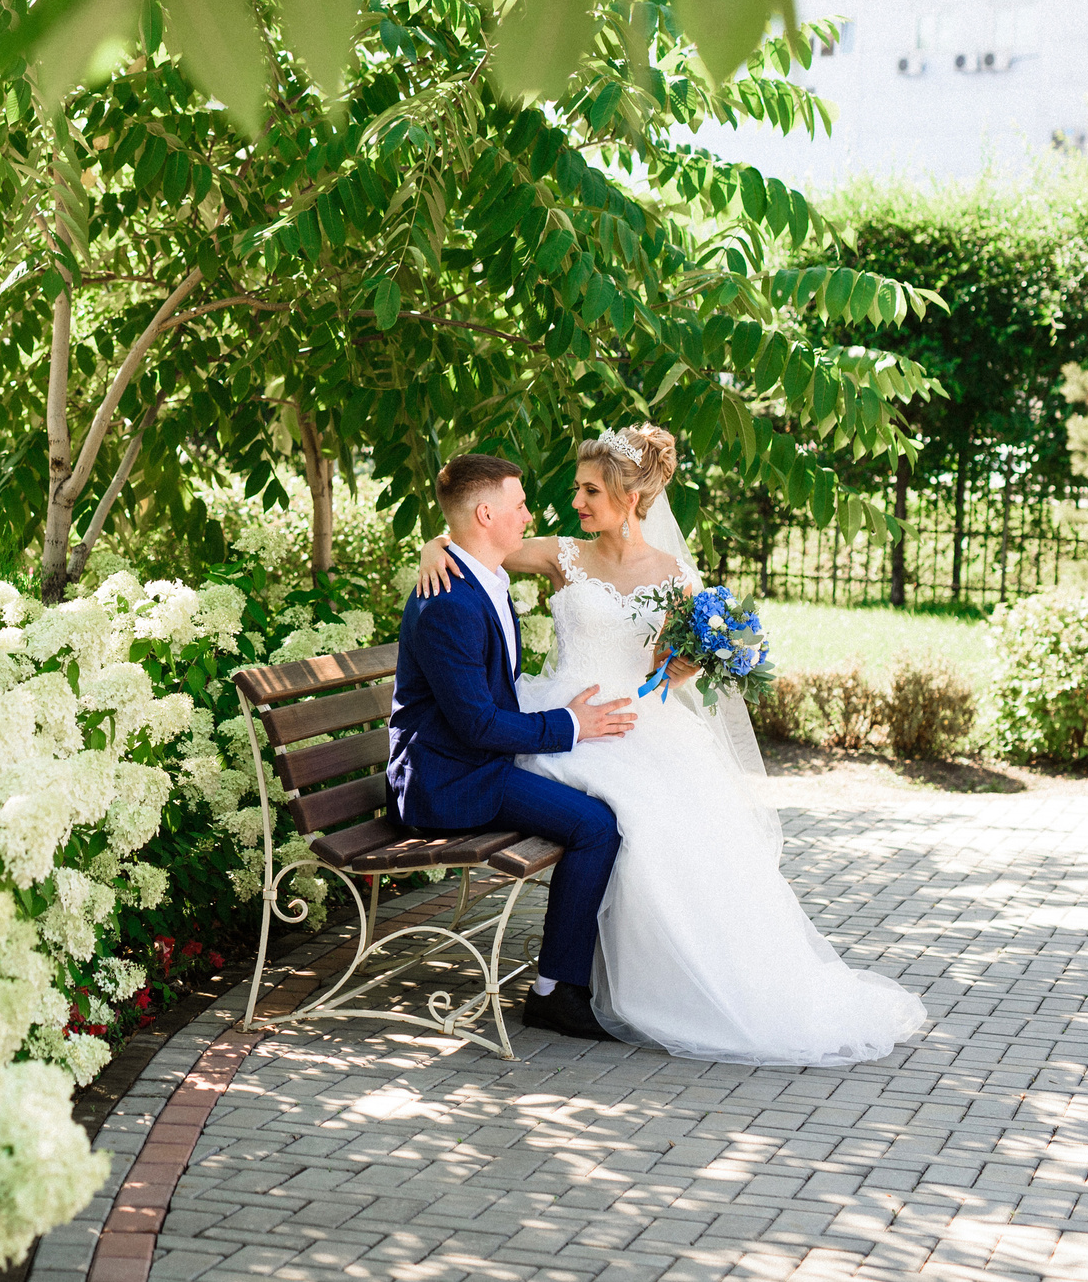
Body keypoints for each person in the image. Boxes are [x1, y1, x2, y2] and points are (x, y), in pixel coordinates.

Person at [415, 424, 928, 1067]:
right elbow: (477, 543)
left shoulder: (675, 575)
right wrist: (432, 547)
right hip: (567, 714)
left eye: (590, 490)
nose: (576, 501)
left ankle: (687, 982)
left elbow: (693, 658)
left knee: (677, 827)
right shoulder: (561, 555)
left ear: (630, 497)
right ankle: (573, 982)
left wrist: (687, 666)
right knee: (615, 822)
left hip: (642, 721)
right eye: (577, 489)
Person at [388, 452, 638, 1042]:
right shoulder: (448, 601)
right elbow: (477, 726)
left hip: (475, 761)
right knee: (596, 825)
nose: (530, 514)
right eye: (519, 504)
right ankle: (555, 990)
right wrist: (572, 726)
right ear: (485, 513)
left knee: (612, 794)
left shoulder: (483, 578)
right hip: (449, 781)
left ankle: (577, 974)